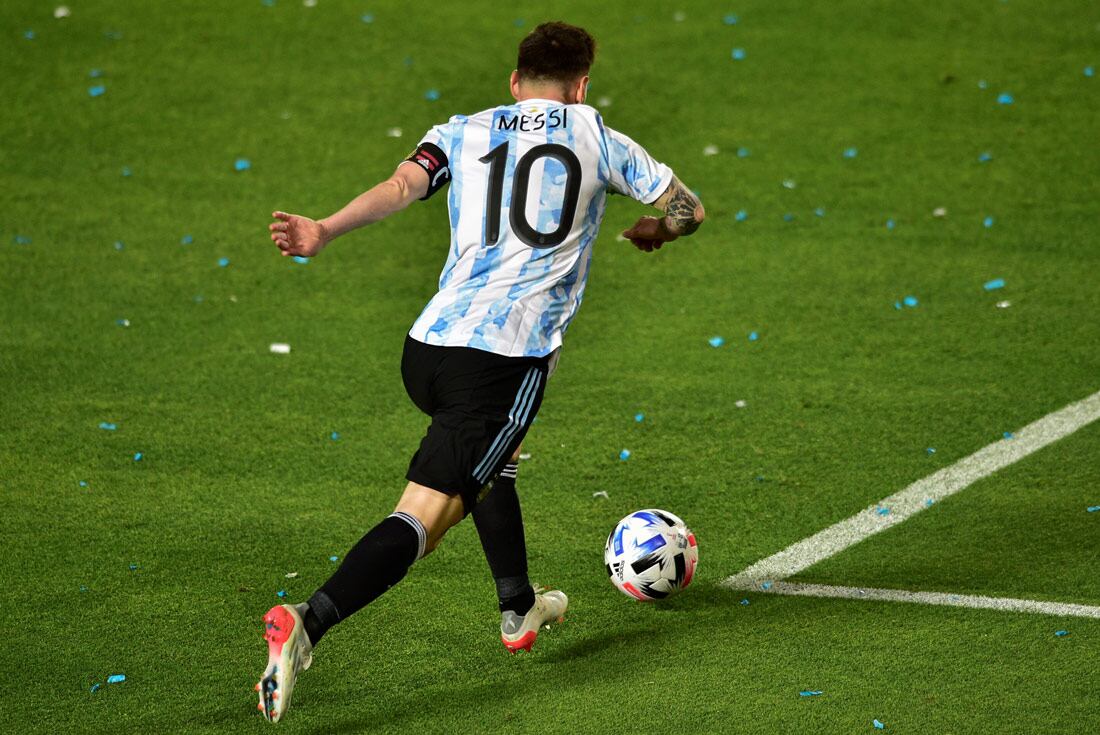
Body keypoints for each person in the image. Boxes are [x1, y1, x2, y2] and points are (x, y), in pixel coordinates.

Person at [257, 20, 705, 724]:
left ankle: (518, 605)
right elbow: (687, 207)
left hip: (428, 346)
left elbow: (401, 187)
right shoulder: (597, 137)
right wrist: (658, 229)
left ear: (513, 81)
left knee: (498, 458)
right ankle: (307, 622)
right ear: (582, 85)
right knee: (423, 516)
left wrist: (324, 229)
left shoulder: (463, 129)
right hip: (501, 364)